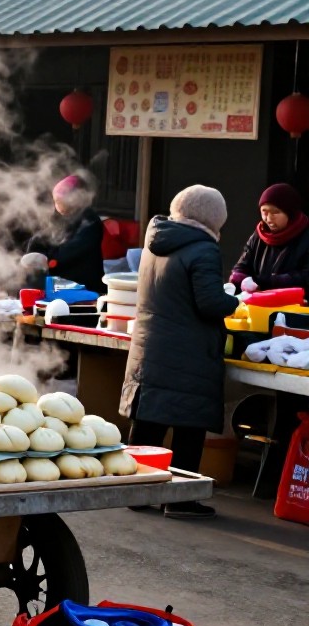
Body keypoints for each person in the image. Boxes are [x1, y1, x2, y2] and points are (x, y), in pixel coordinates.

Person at [121, 186, 238, 520]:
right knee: (189, 425)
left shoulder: (155, 241)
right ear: (212, 218)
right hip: (186, 352)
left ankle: (136, 491)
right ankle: (180, 499)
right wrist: (234, 300)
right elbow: (210, 302)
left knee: (148, 425)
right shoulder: (203, 248)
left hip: (150, 347)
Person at [22, 175, 106, 293]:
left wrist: (49, 260)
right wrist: (34, 249)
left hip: (86, 286)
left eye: (60, 201)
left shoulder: (90, 221)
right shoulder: (61, 218)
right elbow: (46, 236)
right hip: (61, 284)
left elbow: (72, 250)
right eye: (56, 201)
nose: (57, 205)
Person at [230, 183, 309, 292]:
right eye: (264, 212)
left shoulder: (305, 235)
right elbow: (242, 266)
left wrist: (265, 282)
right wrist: (240, 279)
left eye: (275, 212)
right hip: (258, 303)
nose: (269, 218)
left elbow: (304, 276)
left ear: (290, 213)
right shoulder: (259, 234)